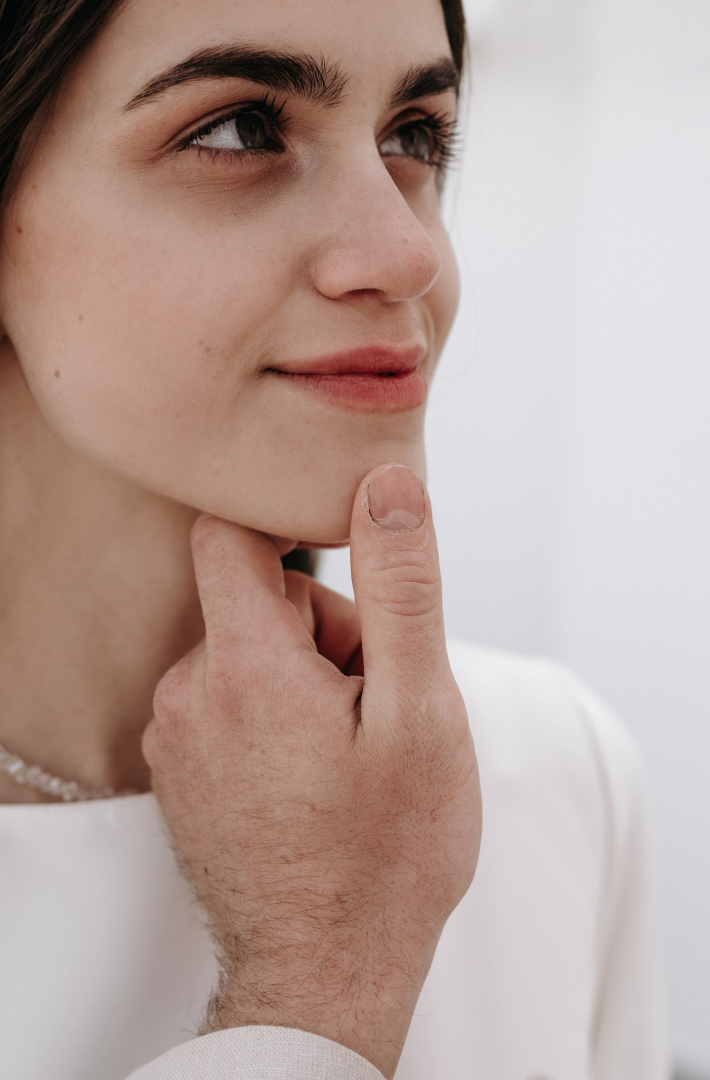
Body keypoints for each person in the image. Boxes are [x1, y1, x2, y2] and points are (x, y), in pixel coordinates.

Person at [0, 0, 667, 1077]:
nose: (405, 254)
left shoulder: (551, 770)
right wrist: (317, 984)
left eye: (414, 134)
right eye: (238, 131)